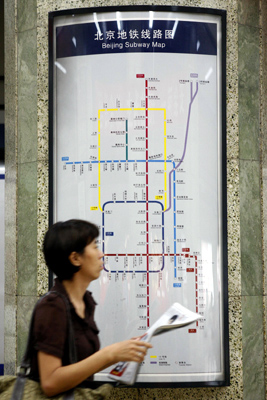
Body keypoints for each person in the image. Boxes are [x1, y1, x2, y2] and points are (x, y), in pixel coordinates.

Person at [31, 219, 152, 397]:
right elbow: (50, 382)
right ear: (75, 258)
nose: (101, 254)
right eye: (95, 247)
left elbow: (78, 366)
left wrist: (121, 352)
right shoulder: (52, 307)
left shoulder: (85, 302)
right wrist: (109, 354)